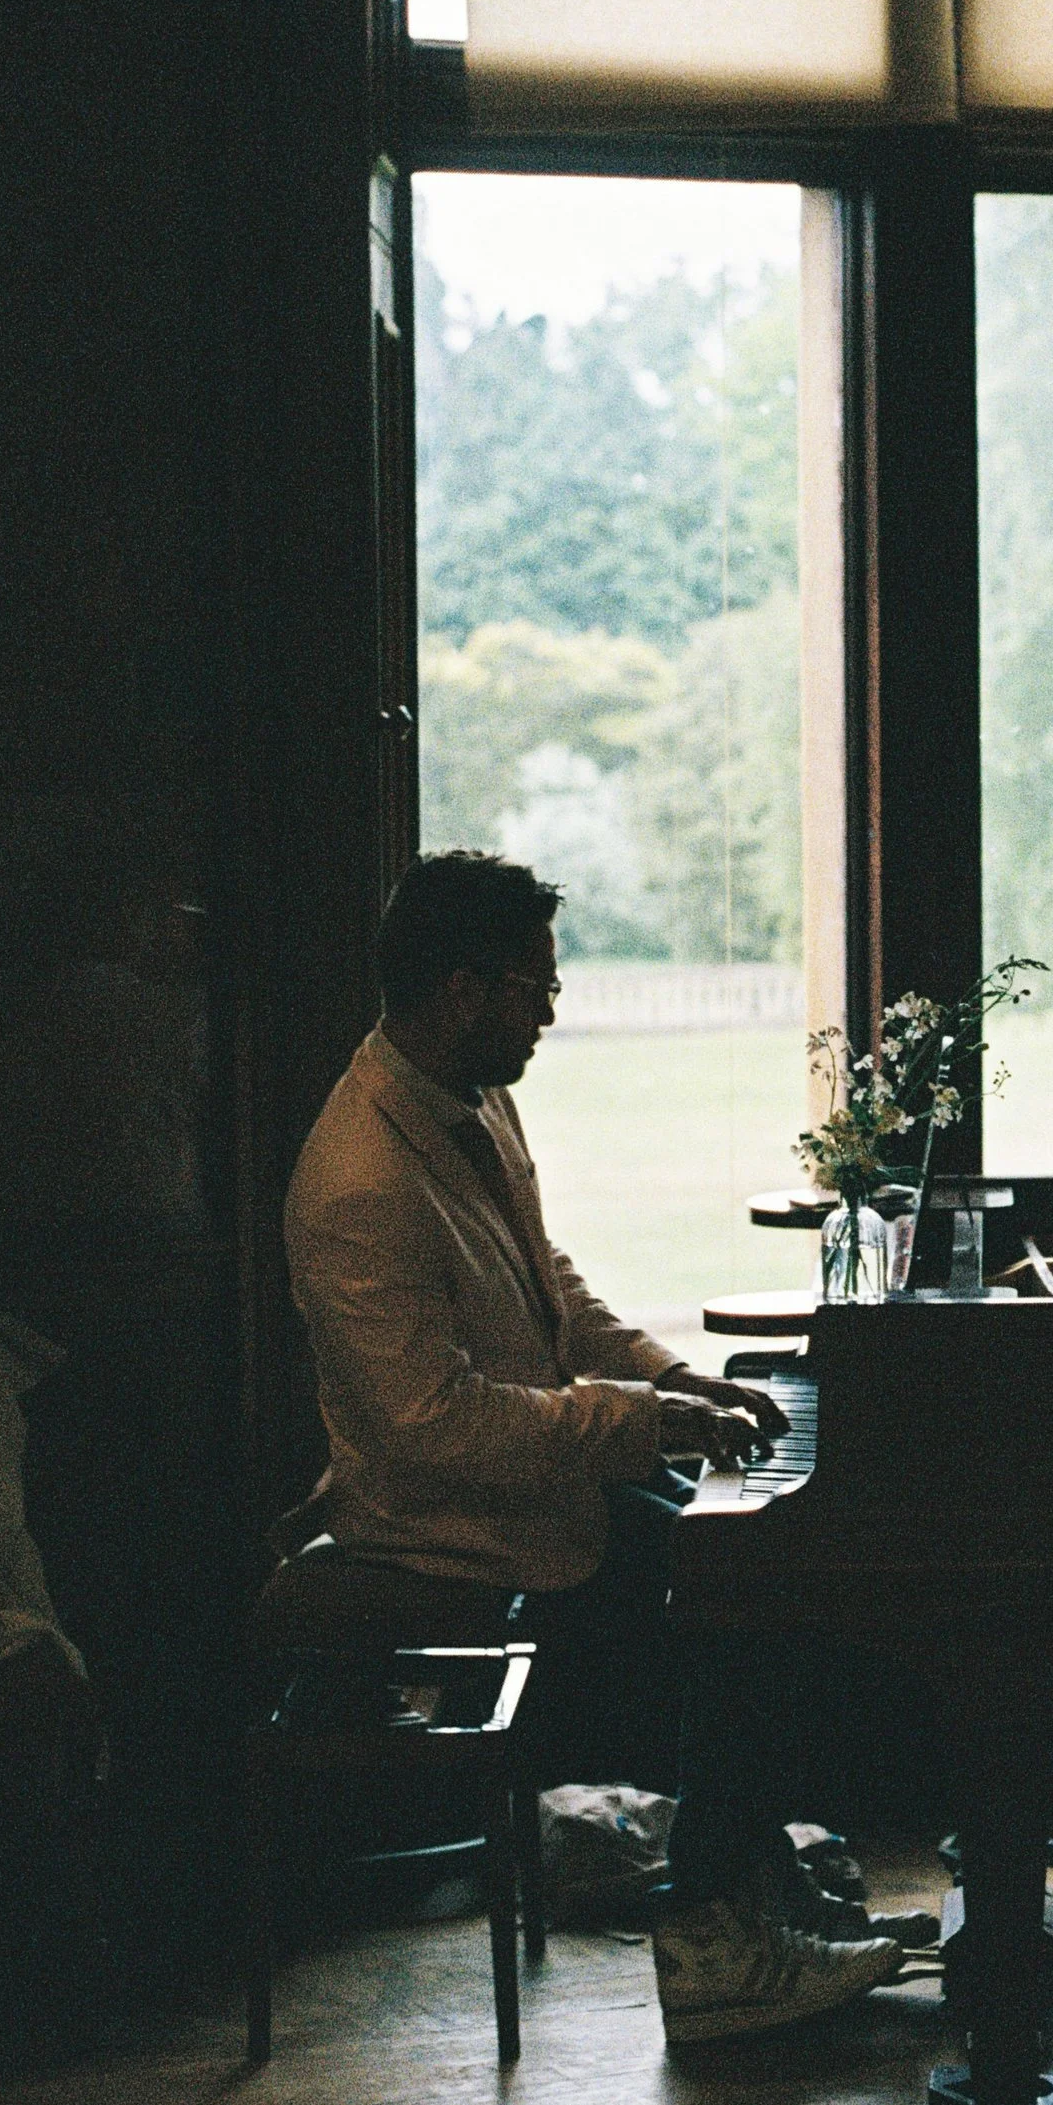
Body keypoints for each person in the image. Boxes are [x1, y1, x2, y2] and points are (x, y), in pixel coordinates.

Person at [283, 849, 902, 2042]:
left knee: (752, 1564)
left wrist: (670, 1376)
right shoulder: (359, 1178)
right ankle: (714, 1944)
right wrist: (644, 1422)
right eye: (537, 988)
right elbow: (428, 1428)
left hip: (517, 1474)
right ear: (463, 990)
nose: (551, 1014)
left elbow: (547, 1285)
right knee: (737, 1601)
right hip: (438, 1519)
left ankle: (745, 1895)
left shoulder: (465, 1100)